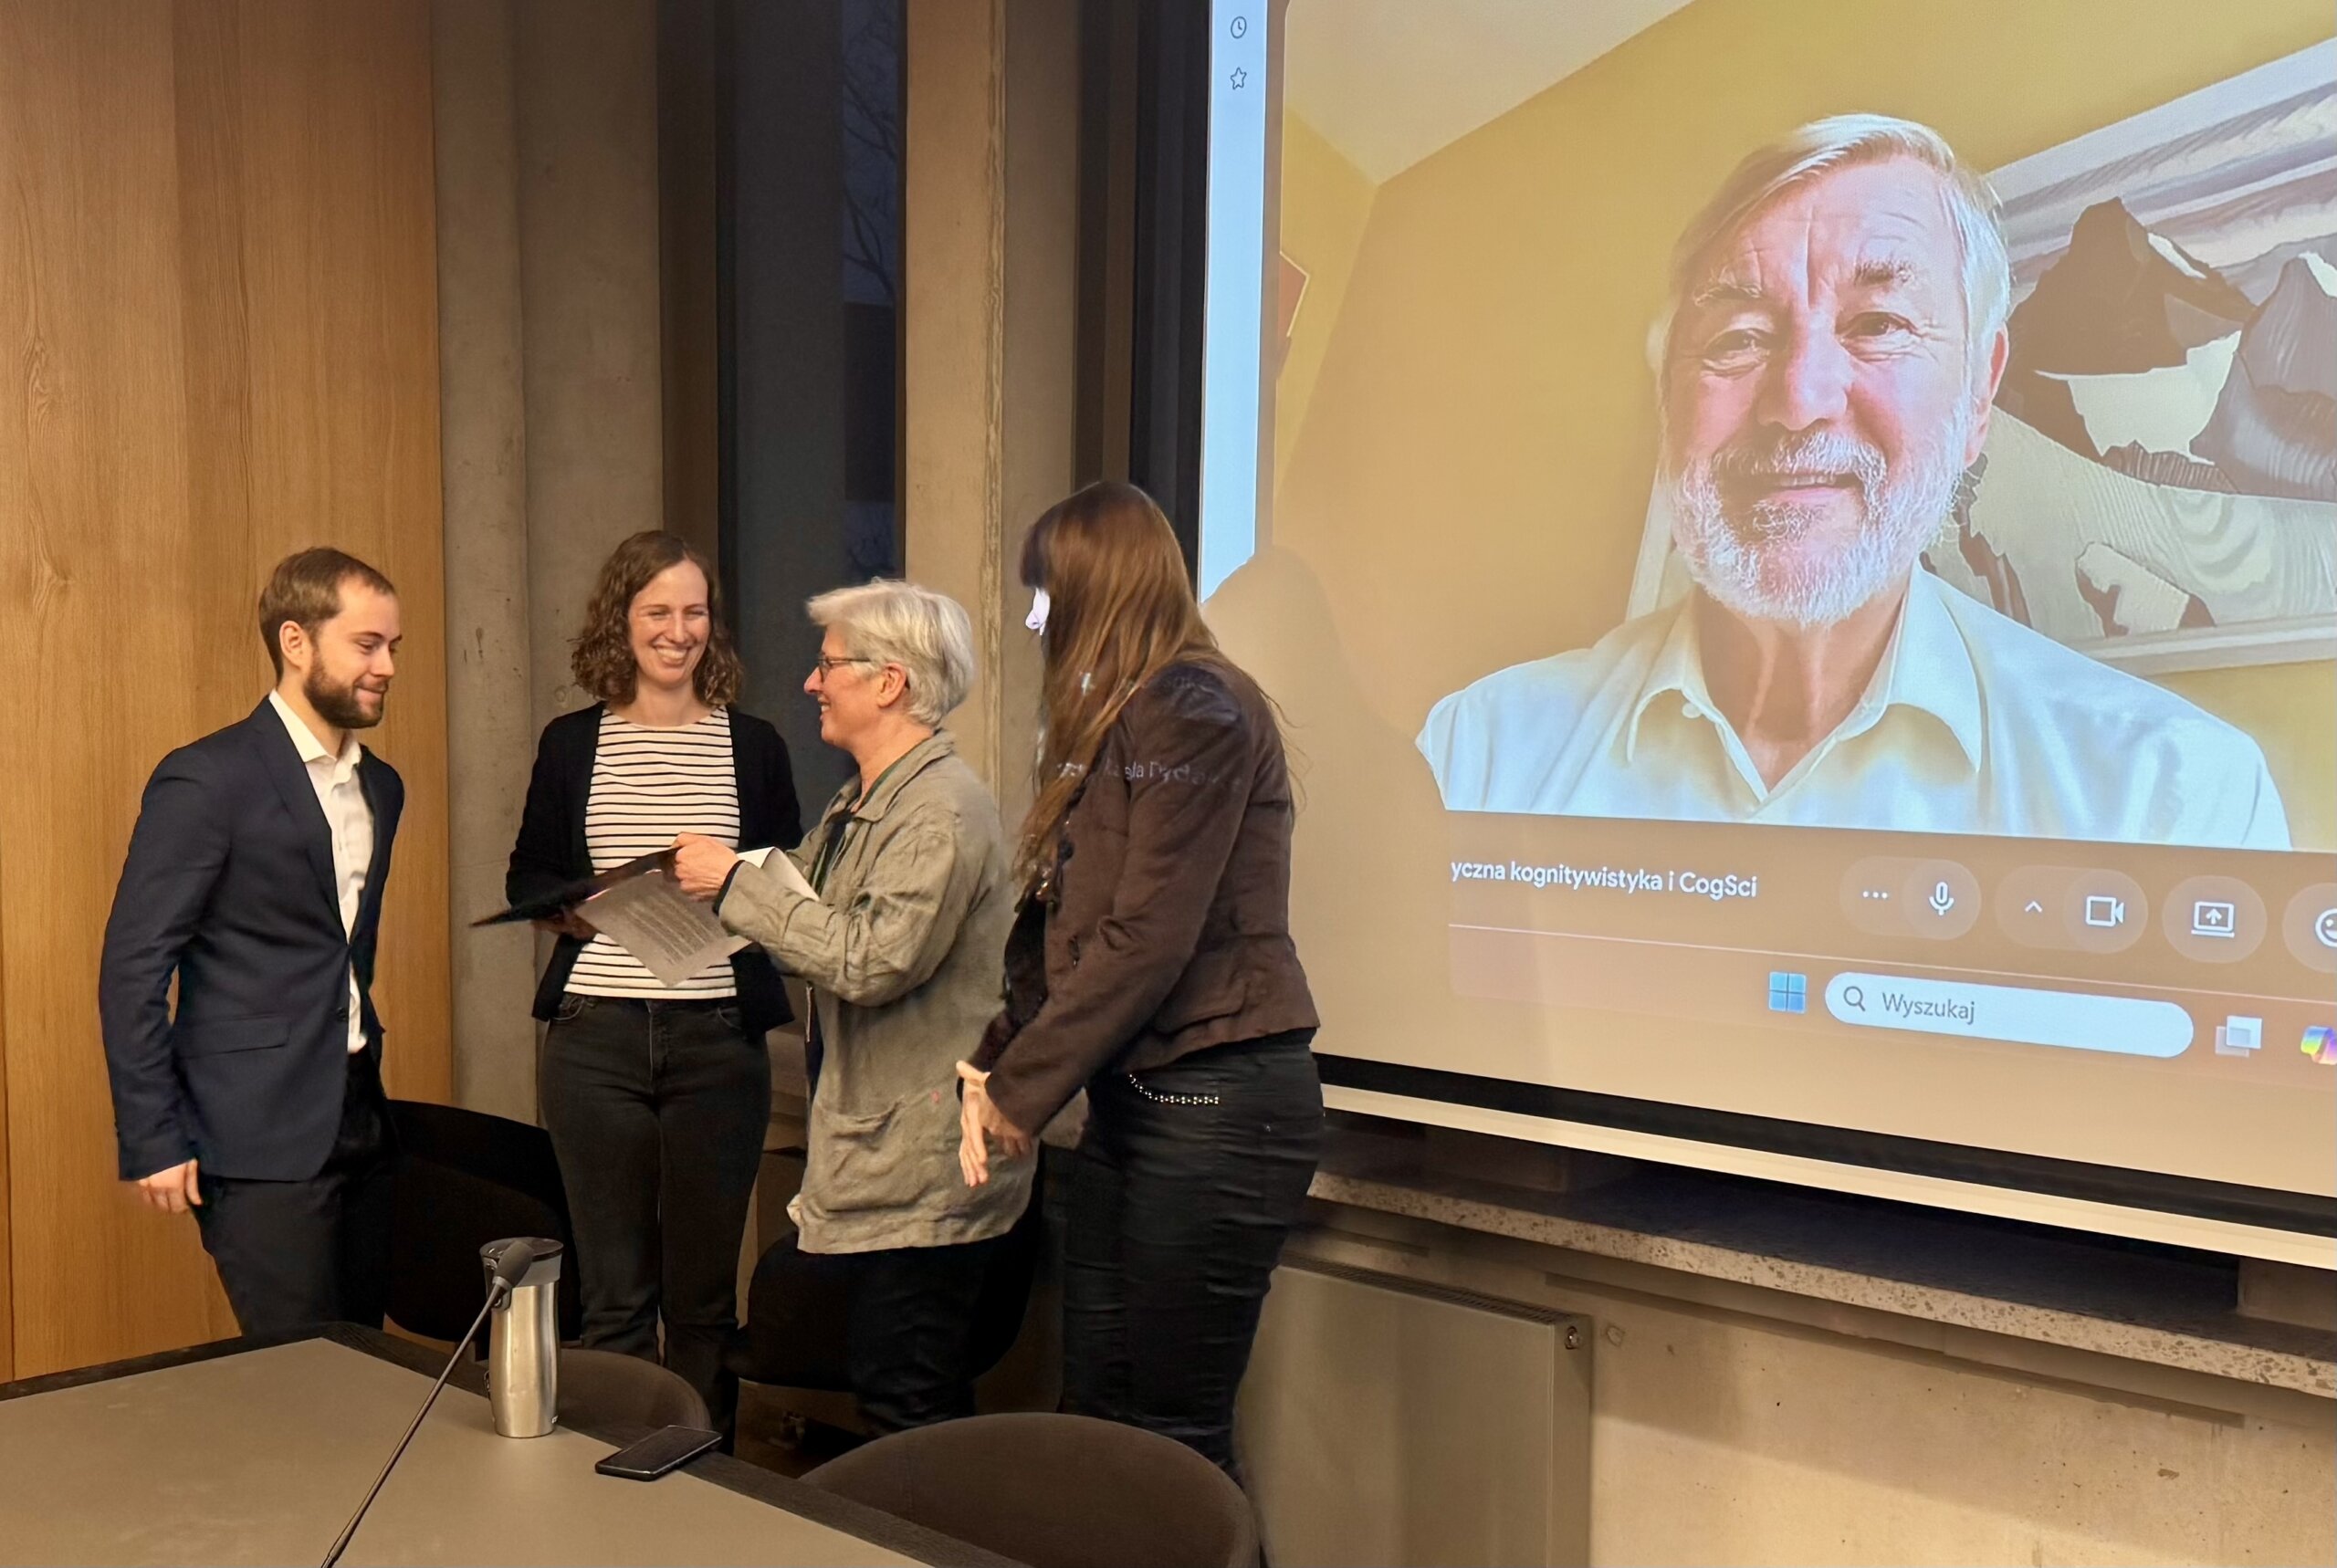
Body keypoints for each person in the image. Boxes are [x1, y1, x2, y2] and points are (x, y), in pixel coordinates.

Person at [1417, 114, 2289, 851]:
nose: (1797, 402)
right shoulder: (1476, 753)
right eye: (1737, 338)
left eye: (1877, 323)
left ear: (1980, 393)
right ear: (1667, 397)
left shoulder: (2174, 803)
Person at [955, 480, 1323, 1478]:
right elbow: (1064, 928)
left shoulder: (1193, 708)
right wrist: (994, 1065)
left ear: (1096, 591)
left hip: (1216, 1110)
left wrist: (1024, 1092)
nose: (1034, 616)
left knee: (1173, 1444)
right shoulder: (1124, 715)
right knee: (1099, 1424)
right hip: (1140, 1107)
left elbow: (1146, 939)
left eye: (1045, 592)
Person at [672, 580, 1030, 1433]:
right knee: (895, 1392)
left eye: (828, 665)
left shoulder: (938, 815)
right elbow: (811, 904)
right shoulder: (864, 800)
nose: (810, 683)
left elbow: (870, 961)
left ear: (890, 682)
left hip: (927, 1174)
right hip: (884, 1163)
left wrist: (734, 885)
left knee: (910, 1410)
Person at [507, 531, 800, 1430]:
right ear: (620, 622)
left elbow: (784, 881)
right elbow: (528, 878)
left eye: (694, 611)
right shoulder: (571, 743)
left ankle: (706, 1493)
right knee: (614, 1296)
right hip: (594, 1038)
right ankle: (613, 1497)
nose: (679, 631)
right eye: (658, 612)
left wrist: (733, 888)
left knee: (705, 1301)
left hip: (717, 1038)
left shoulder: (753, 745)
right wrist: (574, 905)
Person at [100, 549, 406, 1334]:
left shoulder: (383, 786)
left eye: (393, 647)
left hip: (360, 1115)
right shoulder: (207, 780)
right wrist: (151, 1135)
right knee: (298, 1385)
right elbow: (134, 966)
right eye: (366, 646)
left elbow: (337, 951)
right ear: (296, 642)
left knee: (371, 1366)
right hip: (252, 1135)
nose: (386, 667)